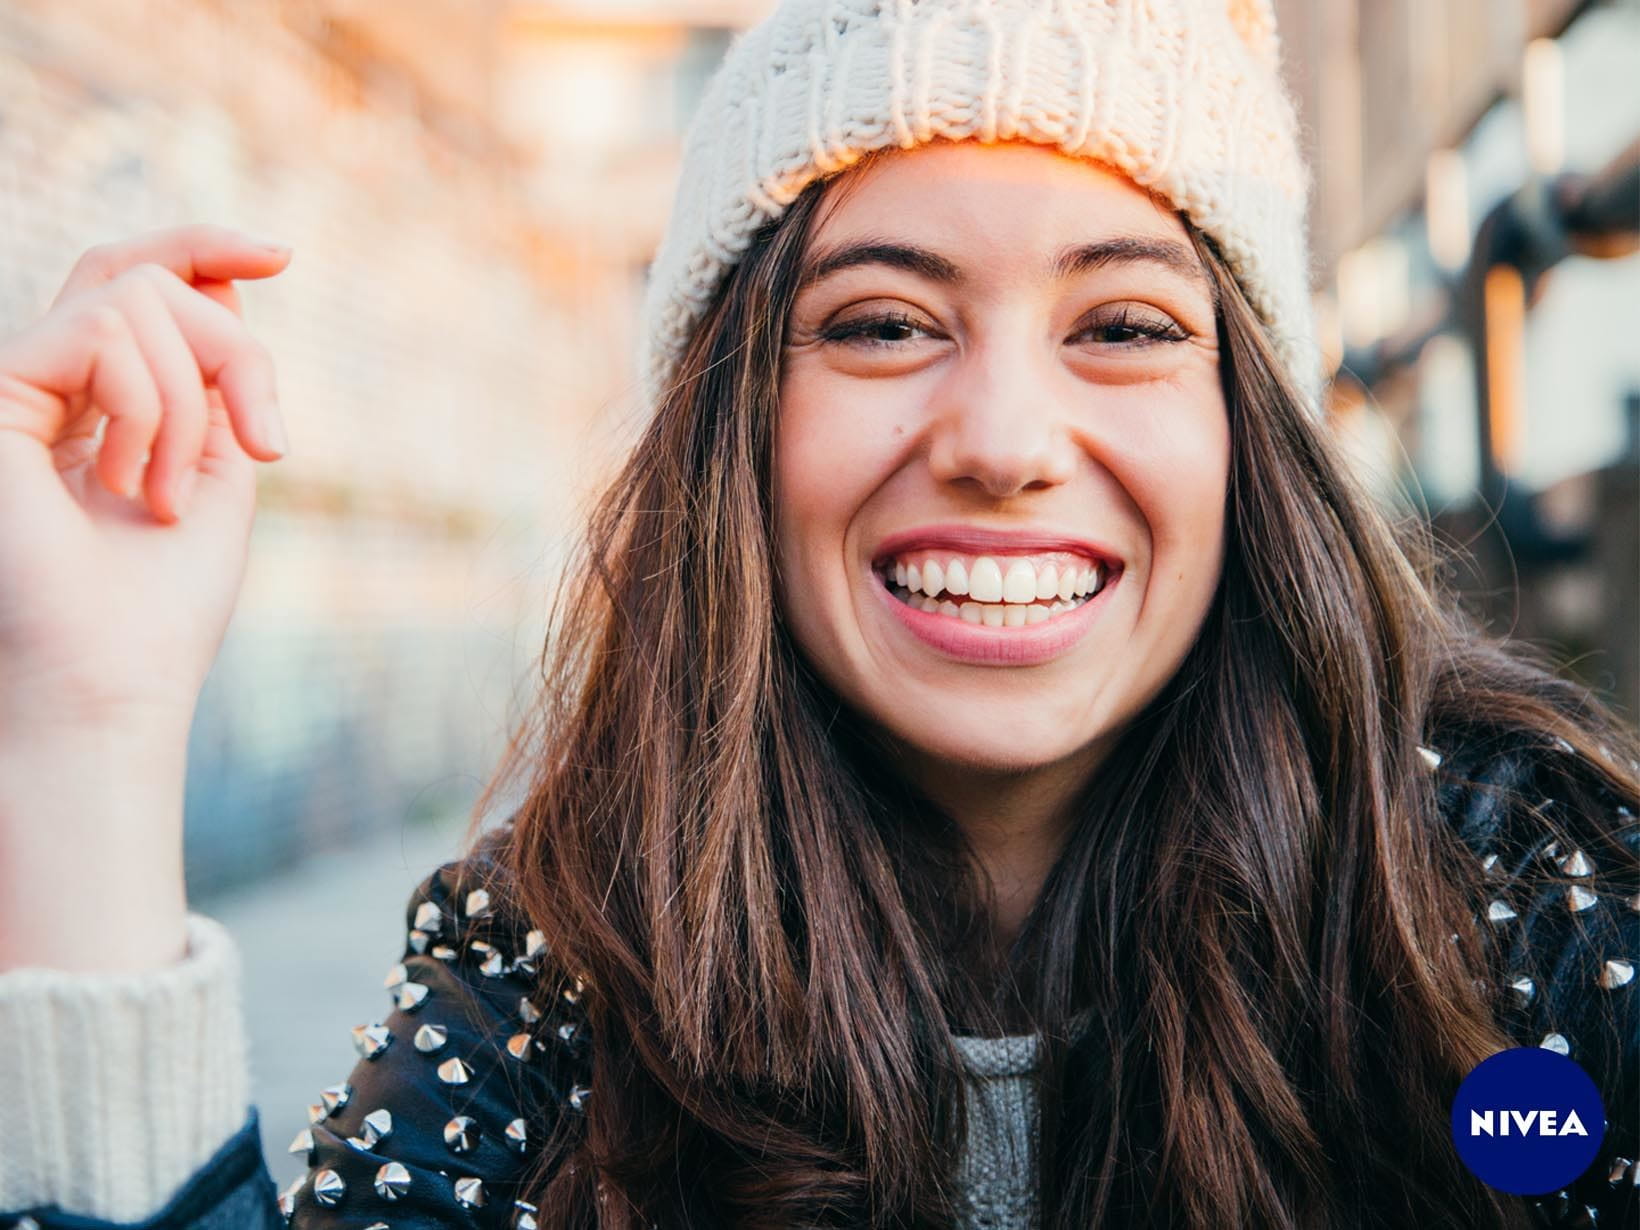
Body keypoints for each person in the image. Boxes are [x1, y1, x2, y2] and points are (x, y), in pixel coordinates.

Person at [0, 0, 1636, 1227]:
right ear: (732, 428)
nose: (1001, 440)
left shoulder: (1518, 911)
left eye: (1126, 322)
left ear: (1248, 430)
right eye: (879, 323)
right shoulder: (552, 973)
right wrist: (90, 726)